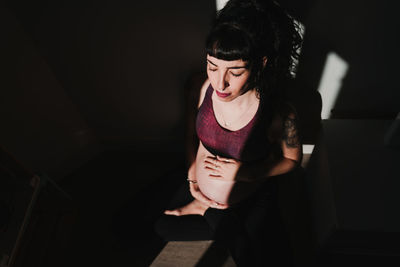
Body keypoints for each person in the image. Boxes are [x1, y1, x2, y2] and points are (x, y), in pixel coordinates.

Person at [155, 0, 303, 265]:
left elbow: (292, 161)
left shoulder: (279, 112)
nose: (219, 82)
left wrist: (244, 173)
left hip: (251, 192)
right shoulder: (203, 88)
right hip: (199, 187)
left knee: (266, 257)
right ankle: (211, 211)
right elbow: (192, 133)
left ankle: (217, 215)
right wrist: (191, 173)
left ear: (261, 63)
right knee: (163, 227)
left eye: (235, 72)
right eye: (212, 67)